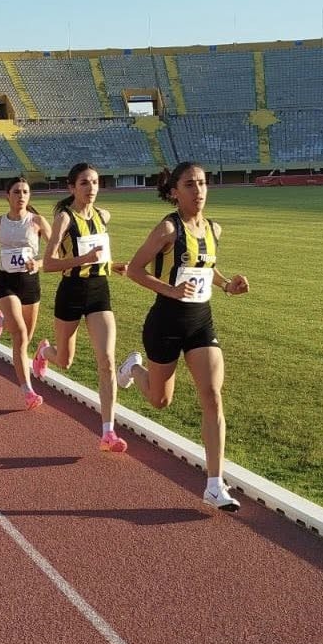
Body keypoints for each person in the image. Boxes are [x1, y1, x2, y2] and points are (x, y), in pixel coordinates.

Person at [119, 161, 250, 511]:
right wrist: (171, 290)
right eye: (190, 184)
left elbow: (207, 267)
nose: (199, 191)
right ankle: (134, 368)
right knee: (161, 401)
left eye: (203, 183)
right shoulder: (167, 229)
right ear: (175, 191)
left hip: (201, 323)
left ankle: (214, 484)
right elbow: (134, 269)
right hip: (165, 323)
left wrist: (227, 286)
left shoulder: (214, 229)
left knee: (212, 396)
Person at [32, 162, 129, 452]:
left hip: (100, 292)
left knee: (107, 361)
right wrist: (83, 260)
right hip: (71, 292)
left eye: (96, 183)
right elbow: (48, 264)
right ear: (72, 187)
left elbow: (98, 257)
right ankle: (44, 351)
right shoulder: (64, 218)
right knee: (65, 360)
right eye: (85, 183)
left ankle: (108, 432)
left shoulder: (103, 216)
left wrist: (113, 265)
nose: (91, 189)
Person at [0, 177, 52, 410]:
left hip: (30, 283)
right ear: (7, 195)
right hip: (6, 282)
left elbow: (56, 252)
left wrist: (37, 264)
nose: (21, 196)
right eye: (16, 192)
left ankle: (6, 323)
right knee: (18, 335)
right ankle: (28, 391)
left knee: (26, 337)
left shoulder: (37, 221)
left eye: (25, 192)